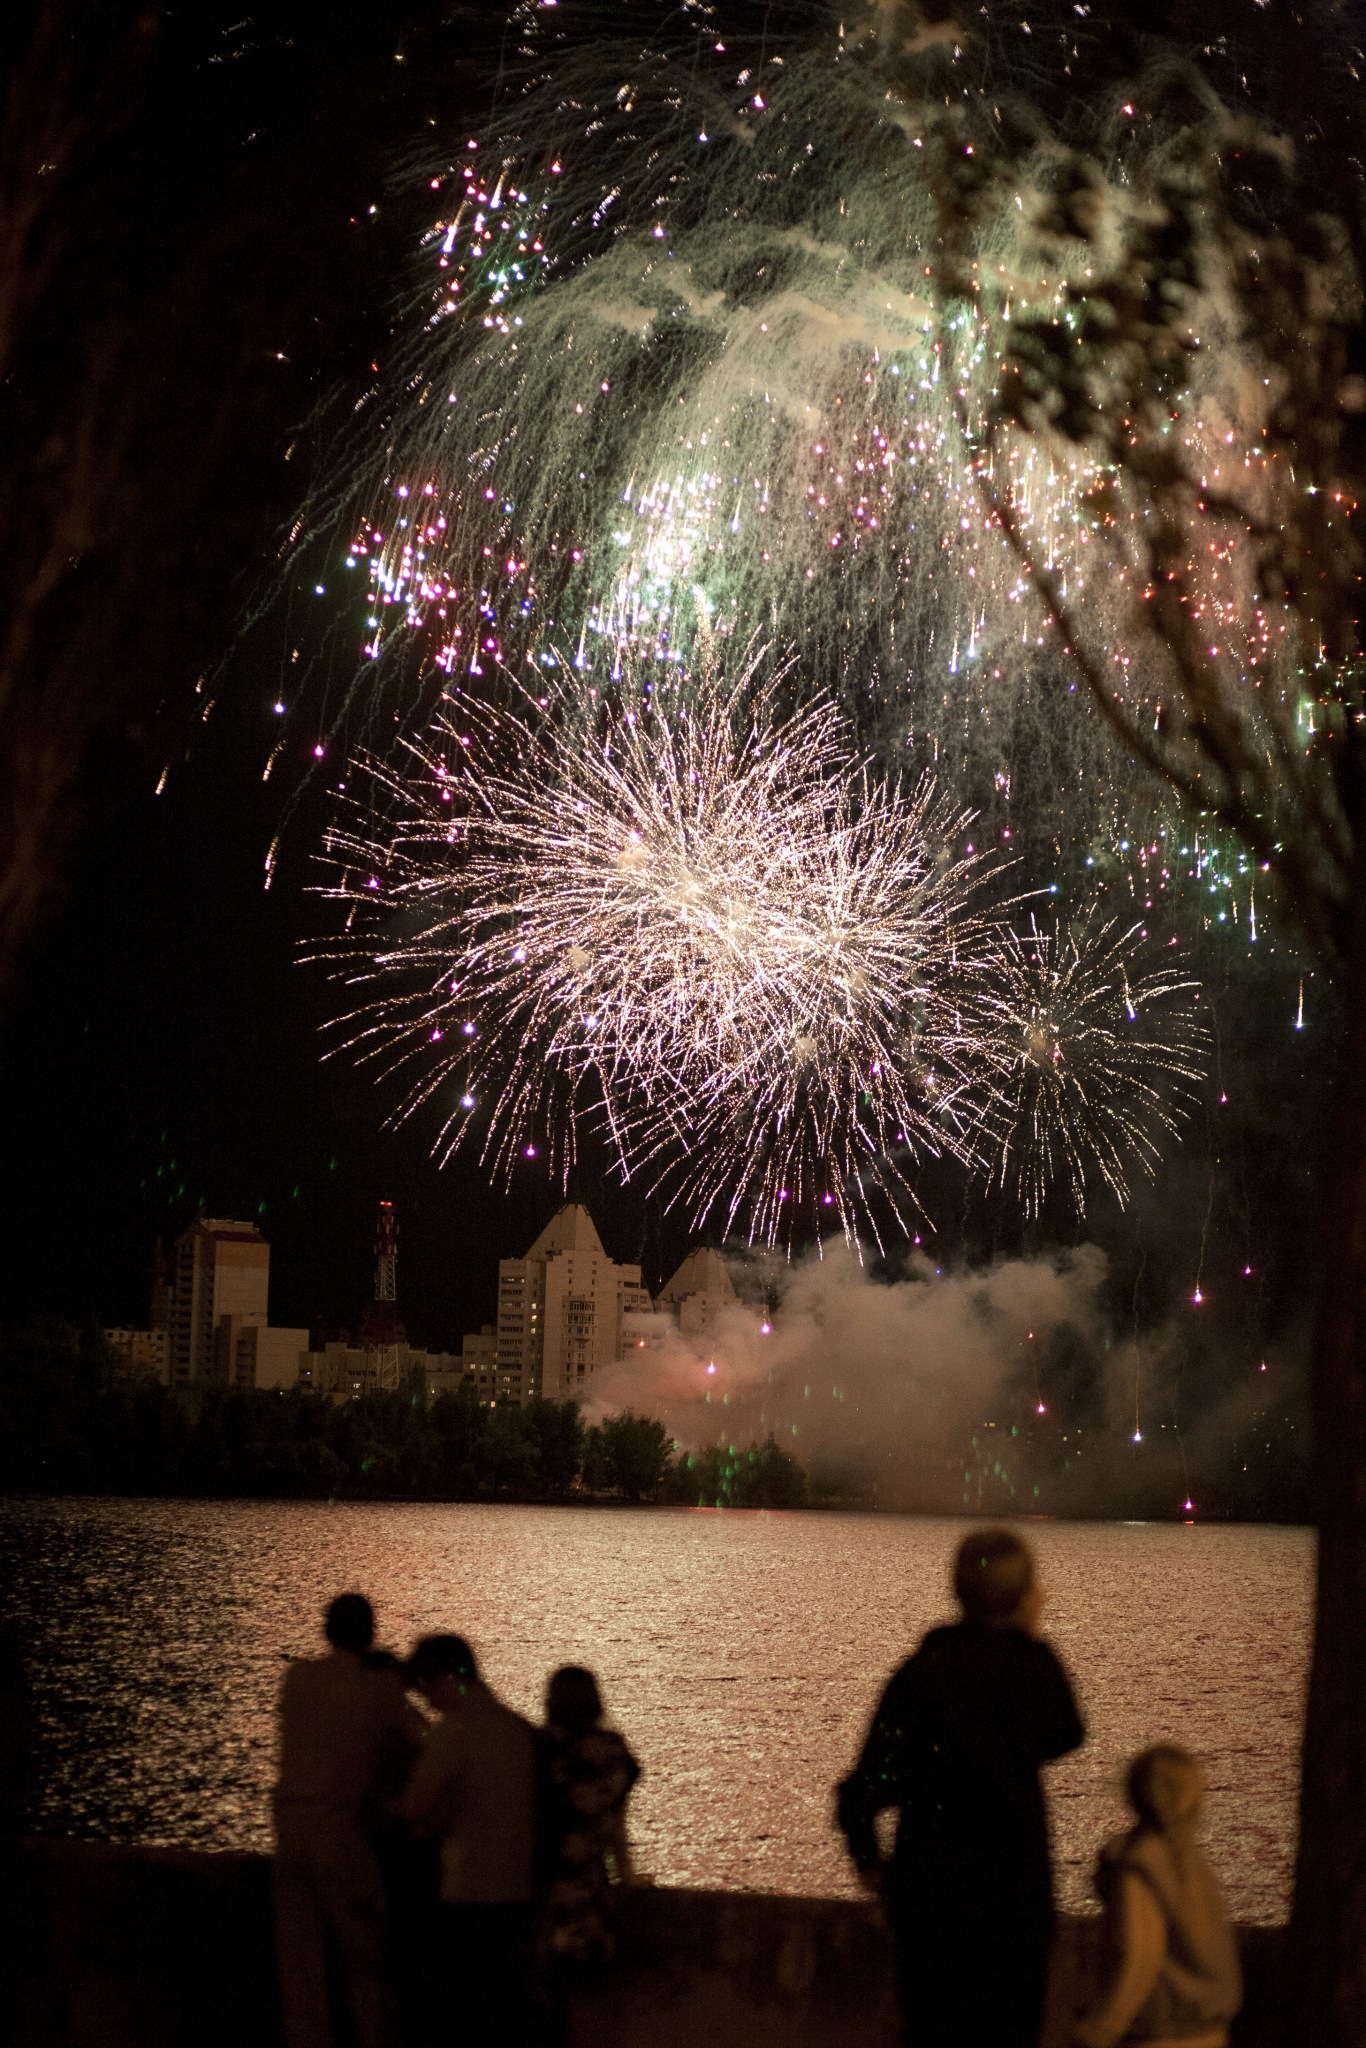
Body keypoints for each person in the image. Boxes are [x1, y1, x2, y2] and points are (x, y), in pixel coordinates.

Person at [836, 1526, 1085, 2048]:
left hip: (930, 1904)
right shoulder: (1031, 1669)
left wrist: (870, 1861)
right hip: (1014, 1908)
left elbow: (865, 1788)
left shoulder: (920, 1675)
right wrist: (1025, 1639)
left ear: (957, 1591)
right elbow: (1066, 1732)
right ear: (1025, 1595)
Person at [273, 1592, 425, 2048]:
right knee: (367, 1966)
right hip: (340, 1836)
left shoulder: (298, 1678)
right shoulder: (379, 1687)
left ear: (326, 1631)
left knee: (300, 1970)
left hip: (290, 1834)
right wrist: (396, 1673)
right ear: (370, 1633)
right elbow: (423, 1737)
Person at [397, 1634, 538, 2048]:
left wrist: (381, 1806)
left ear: (445, 1678)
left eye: (424, 1685)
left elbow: (417, 1806)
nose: (424, 1698)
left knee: (464, 2008)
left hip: (468, 1890)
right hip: (517, 1889)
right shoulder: (516, 1728)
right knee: (506, 2006)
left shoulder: (453, 1730)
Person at [1074, 1746, 1241, 2048]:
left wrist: (1102, 2030)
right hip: (1209, 2031)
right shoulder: (1193, 1864)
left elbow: (1140, 1956)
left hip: (1160, 2033)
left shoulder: (1139, 1863)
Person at [536, 1665, 641, 1969]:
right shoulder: (611, 1752)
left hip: (541, 1879)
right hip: (590, 1880)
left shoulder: (537, 1747)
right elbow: (616, 1823)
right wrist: (626, 1875)